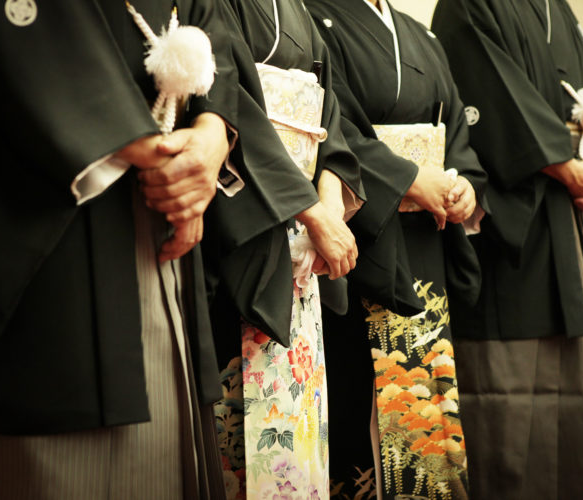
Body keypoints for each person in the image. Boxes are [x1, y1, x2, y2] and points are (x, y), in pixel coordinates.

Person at [0, 1, 267, 498]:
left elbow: (212, 27)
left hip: (170, 209)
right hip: (56, 200)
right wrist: (133, 138)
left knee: (168, 434)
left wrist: (212, 134)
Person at [430, 1, 583, 499]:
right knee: (509, 406)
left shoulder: (558, 9)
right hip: (513, 230)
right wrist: (564, 166)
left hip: (572, 222)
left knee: (582, 390)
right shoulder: (468, 6)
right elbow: (493, 101)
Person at [305, 0, 489, 497]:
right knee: (360, 407)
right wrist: (408, 180)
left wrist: (464, 186)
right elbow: (332, 128)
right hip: (364, 241)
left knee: (424, 413)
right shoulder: (316, 16)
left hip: (427, 241)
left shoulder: (420, 36)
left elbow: (458, 139)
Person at [208, 0, 364, 498]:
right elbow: (224, 100)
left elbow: (330, 122)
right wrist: (310, 211)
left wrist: (330, 203)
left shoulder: (298, 9)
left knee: (299, 435)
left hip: (304, 244)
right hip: (241, 223)